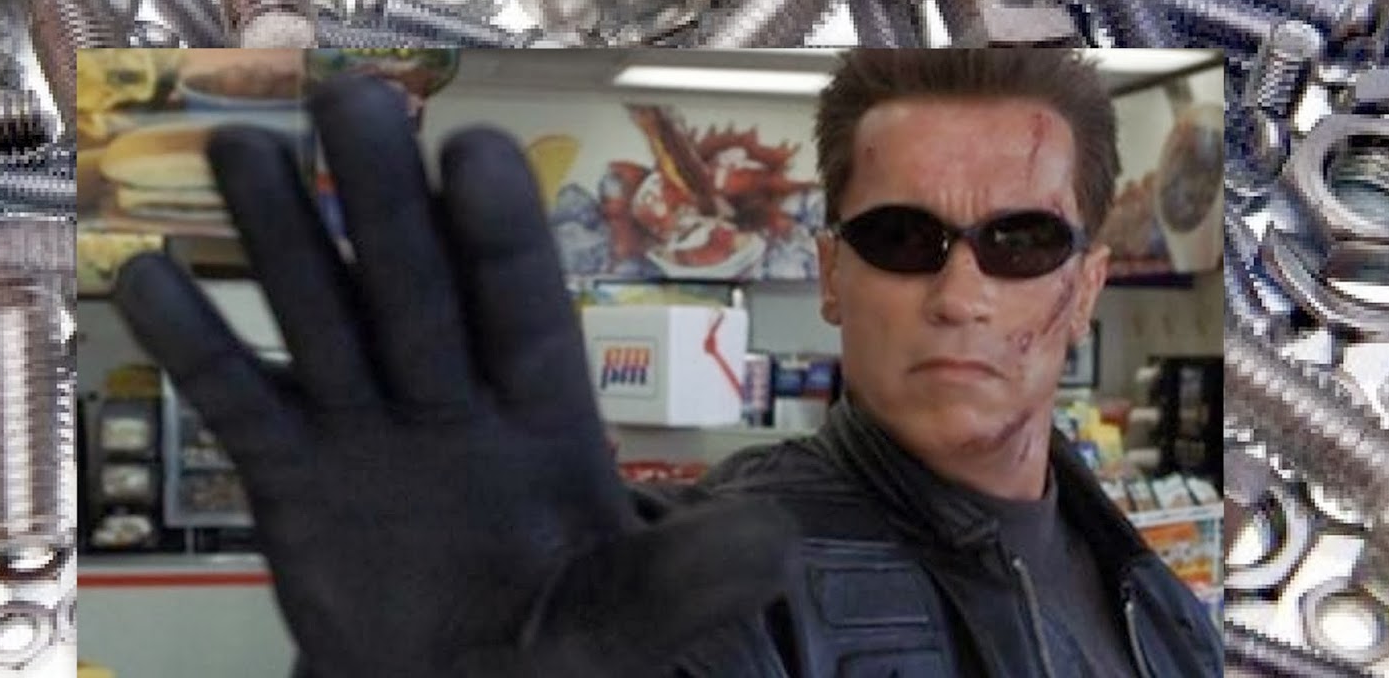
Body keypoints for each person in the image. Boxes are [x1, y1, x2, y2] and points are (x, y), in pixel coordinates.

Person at [114, 49, 1223, 677]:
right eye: (900, 237)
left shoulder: (1158, 598)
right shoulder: (724, 576)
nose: (961, 293)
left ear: (1086, 286)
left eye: (1019, 241)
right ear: (831, 275)